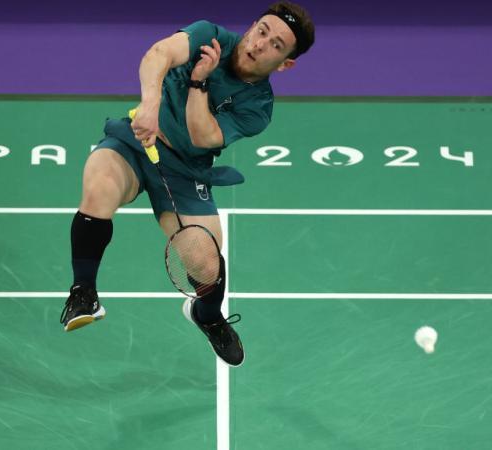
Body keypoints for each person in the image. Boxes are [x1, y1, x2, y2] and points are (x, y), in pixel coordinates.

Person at [59, 2, 314, 367]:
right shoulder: (208, 35)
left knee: (206, 261)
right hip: (138, 141)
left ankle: (208, 316)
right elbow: (158, 54)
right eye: (261, 30)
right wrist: (150, 104)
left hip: (185, 170)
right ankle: (84, 292)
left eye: (276, 45)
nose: (260, 44)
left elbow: (202, 135)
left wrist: (198, 81)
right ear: (252, 26)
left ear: (286, 63)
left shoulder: (258, 106)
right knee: (99, 180)